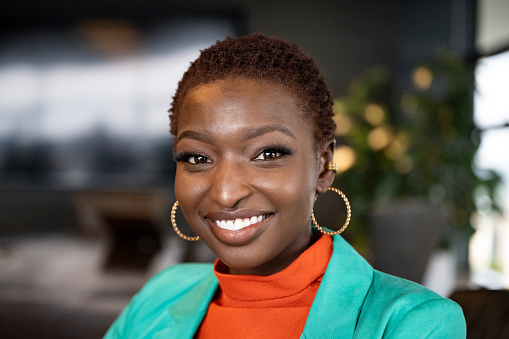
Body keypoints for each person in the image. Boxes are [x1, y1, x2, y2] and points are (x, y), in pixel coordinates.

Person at [104, 33, 466, 338]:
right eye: (197, 158)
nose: (226, 193)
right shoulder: (161, 294)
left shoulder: (414, 323)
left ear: (323, 166)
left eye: (267, 153)